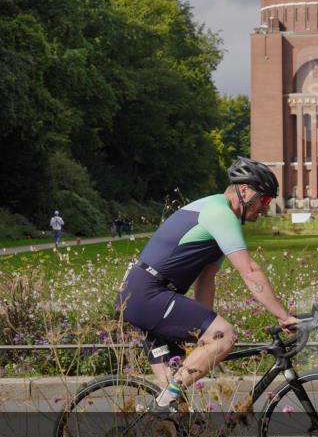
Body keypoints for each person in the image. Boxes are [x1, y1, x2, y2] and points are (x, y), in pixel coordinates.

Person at [116, 157, 300, 408]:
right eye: (265, 199)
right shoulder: (221, 215)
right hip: (149, 295)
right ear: (244, 190)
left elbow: (206, 280)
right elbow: (250, 271)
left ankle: (156, 427)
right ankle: (161, 407)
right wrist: (283, 316)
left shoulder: (215, 211)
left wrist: (201, 332)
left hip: (142, 295)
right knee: (224, 336)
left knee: (175, 406)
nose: (266, 207)